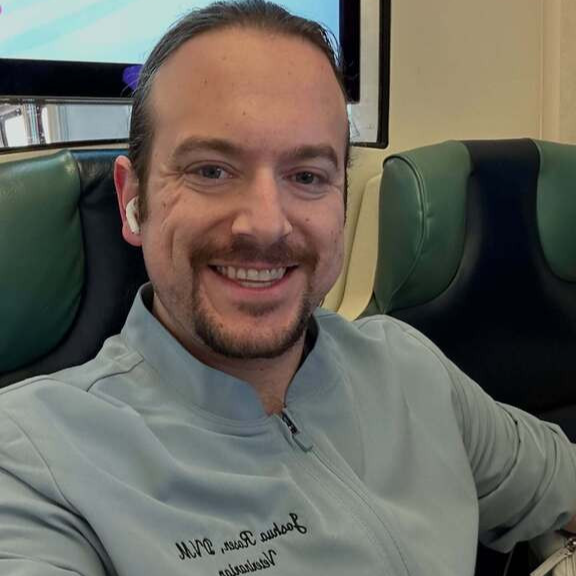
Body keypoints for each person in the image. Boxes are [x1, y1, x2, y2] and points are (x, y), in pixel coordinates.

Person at [0, 1, 575, 575]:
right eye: (211, 170)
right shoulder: (33, 458)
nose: (266, 224)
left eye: (307, 176)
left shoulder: (407, 371)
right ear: (132, 200)